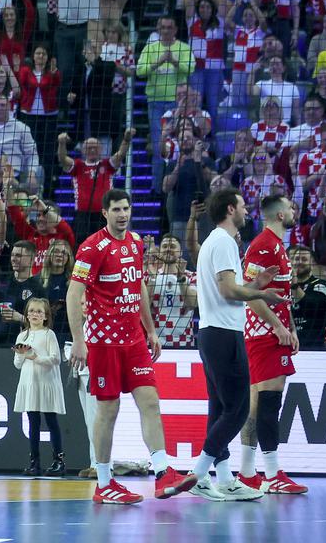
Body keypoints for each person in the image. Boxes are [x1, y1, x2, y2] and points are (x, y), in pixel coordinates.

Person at [66, 188, 196, 504]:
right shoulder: (91, 248)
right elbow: (73, 294)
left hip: (134, 340)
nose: (123, 214)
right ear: (105, 213)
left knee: (150, 401)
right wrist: (79, 341)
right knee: (108, 410)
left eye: (126, 208)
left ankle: (163, 472)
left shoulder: (136, 242)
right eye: (116, 209)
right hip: (103, 343)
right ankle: (104, 483)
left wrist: (150, 330)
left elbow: (138, 285)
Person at [188, 188, 285, 501]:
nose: (246, 210)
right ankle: (200, 474)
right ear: (230, 209)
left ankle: (226, 479)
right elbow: (229, 291)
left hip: (213, 333)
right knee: (238, 409)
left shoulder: (215, 241)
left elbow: (229, 290)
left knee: (219, 409)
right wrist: (262, 294)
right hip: (223, 334)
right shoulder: (225, 242)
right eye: (242, 205)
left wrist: (255, 284)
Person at [236, 193, 309, 495]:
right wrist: (278, 327)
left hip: (271, 333)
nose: (294, 211)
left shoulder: (277, 245)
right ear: (280, 215)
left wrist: (290, 326)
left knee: (257, 405)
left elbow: (281, 294)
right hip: (264, 334)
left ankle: (246, 472)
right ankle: (272, 474)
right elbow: (249, 295)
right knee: (269, 402)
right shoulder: (264, 245)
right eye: (290, 208)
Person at [12, 297, 65, 477]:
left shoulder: (49, 334)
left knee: (51, 421)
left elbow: (55, 359)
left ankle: (59, 461)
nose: (35, 314)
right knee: (33, 423)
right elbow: (17, 364)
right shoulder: (22, 336)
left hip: (47, 383)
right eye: (32, 311)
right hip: (30, 384)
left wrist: (34, 357)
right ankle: (35, 462)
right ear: (27, 315)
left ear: (45, 316)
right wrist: (21, 354)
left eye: (39, 311)